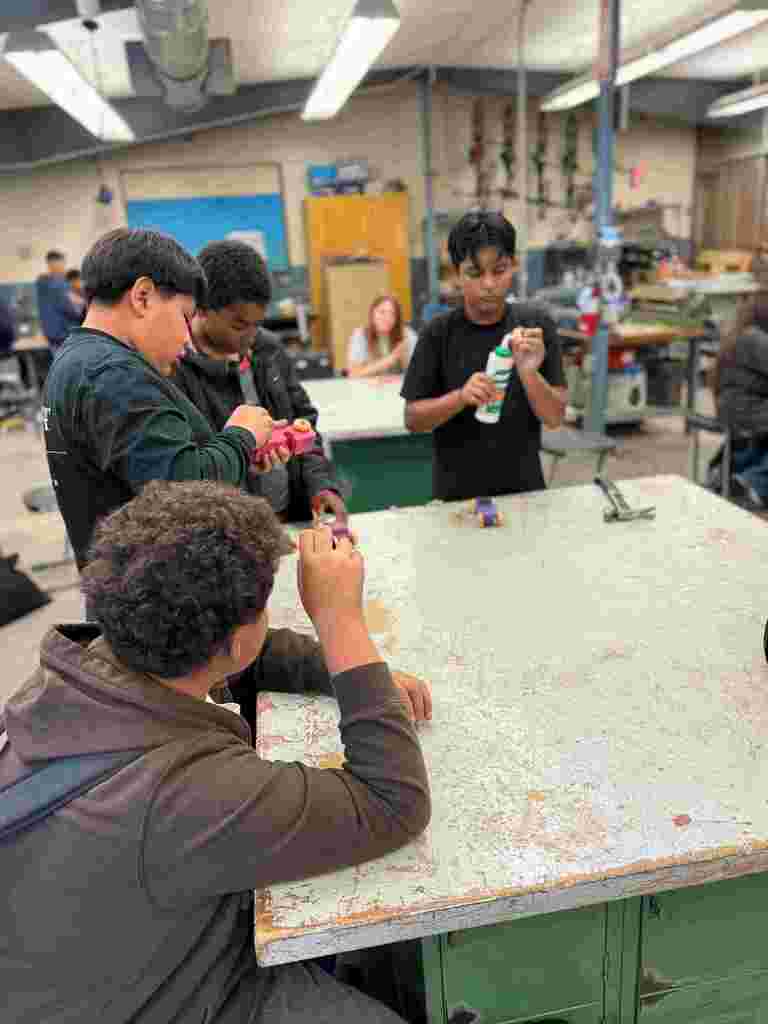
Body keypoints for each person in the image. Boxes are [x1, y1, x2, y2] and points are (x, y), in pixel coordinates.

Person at [0, 479, 431, 1024]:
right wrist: (343, 625)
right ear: (228, 640)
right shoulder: (184, 791)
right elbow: (393, 803)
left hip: (95, 957)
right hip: (165, 998)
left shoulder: (94, 667)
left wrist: (361, 674)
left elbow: (250, 650)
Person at [43, 227, 289, 572]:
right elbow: (182, 491)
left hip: (129, 590)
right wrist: (239, 438)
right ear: (142, 296)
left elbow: (147, 469)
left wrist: (240, 456)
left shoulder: (77, 360)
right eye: (184, 317)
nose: (187, 337)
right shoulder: (113, 374)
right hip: (158, 603)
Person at [173, 239, 347, 525]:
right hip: (227, 534)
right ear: (200, 308)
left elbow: (303, 423)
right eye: (239, 326)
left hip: (286, 515)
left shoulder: (268, 350)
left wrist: (321, 484)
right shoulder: (176, 370)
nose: (251, 336)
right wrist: (245, 457)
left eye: (258, 324)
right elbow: (189, 470)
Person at [401, 211, 568, 503]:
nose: (489, 284)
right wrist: (460, 397)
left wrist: (529, 373)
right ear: (456, 273)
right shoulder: (437, 334)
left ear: (513, 266)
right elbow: (413, 419)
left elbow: (554, 418)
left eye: (499, 270)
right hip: (455, 500)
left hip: (525, 495)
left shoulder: (534, 329)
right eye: (475, 273)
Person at [708, 298, 768, 508]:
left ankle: (726, 471)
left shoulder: (740, 336)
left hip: (735, 409)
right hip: (746, 410)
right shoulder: (756, 340)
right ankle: (753, 483)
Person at [347, 295, 418, 378]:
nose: (387, 318)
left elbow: (419, 371)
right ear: (372, 314)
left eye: (392, 314)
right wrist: (390, 359)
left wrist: (405, 357)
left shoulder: (408, 335)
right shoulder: (360, 335)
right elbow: (353, 374)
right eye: (382, 312)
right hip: (368, 388)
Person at [35, 249, 82, 355]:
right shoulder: (59, 284)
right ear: (55, 263)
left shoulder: (42, 283)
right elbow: (71, 310)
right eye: (62, 263)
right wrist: (81, 305)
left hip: (52, 335)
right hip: (64, 334)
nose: (63, 267)